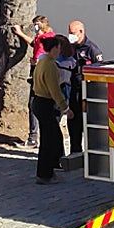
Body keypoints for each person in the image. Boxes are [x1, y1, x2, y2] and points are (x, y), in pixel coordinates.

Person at [31, 35, 72, 185]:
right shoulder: (50, 65)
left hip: (38, 101)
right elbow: (54, 89)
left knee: (51, 138)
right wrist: (65, 108)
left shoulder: (42, 61)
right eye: (58, 48)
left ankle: (50, 169)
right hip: (45, 103)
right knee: (49, 140)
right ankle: (44, 174)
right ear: (55, 49)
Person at [14, 15, 54, 147]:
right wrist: (20, 34)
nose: (34, 27)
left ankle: (33, 137)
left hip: (38, 74)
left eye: (36, 25)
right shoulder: (46, 37)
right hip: (44, 74)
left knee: (33, 104)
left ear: (42, 25)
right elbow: (33, 43)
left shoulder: (44, 38)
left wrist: (35, 62)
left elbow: (38, 56)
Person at [65, 21, 103, 155]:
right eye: (69, 33)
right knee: (73, 122)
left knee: (88, 123)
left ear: (81, 32)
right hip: (73, 90)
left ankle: (91, 154)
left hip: (88, 92)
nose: (70, 36)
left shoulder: (92, 49)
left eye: (73, 33)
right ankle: (75, 152)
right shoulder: (70, 47)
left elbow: (100, 71)